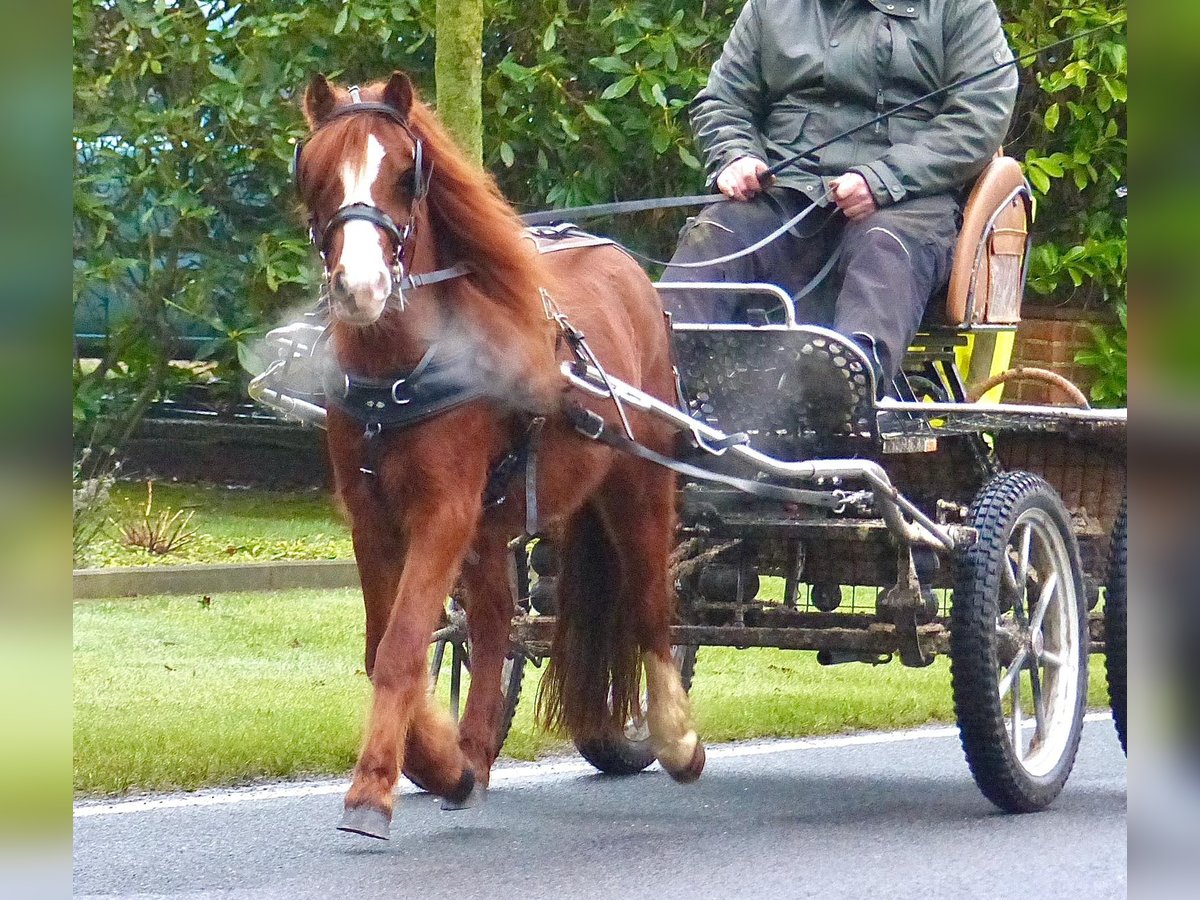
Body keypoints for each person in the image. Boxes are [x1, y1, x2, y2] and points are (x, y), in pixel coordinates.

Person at [663, 0, 1019, 394]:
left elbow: (980, 115)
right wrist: (736, 154)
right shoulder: (770, 7)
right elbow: (723, 100)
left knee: (883, 248)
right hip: (784, 192)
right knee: (715, 234)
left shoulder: (960, 8)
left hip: (908, 203)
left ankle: (839, 392)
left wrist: (883, 179)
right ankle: (661, 388)